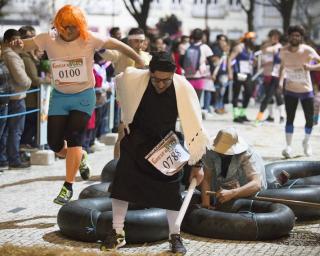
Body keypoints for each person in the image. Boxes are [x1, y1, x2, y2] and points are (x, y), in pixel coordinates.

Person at [11, 5, 144, 205]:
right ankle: (79, 156)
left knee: (74, 137)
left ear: (79, 26)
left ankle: (68, 185)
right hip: (60, 97)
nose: (68, 30)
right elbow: (23, 46)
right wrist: (16, 42)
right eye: (64, 26)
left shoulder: (88, 38)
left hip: (84, 95)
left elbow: (117, 44)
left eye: (73, 27)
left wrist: (139, 59)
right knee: (55, 144)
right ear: (58, 25)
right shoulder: (48, 38)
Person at [100, 52, 209, 255]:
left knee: (172, 192)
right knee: (122, 185)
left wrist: (198, 163)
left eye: (165, 81)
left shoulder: (182, 88)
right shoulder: (136, 81)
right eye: (156, 79)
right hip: (136, 142)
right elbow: (122, 79)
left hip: (166, 144)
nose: (160, 84)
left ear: (173, 75)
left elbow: (195, 127)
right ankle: (117, 232)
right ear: (149, 73)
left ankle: (174, 235)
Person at [100, 27, 152, 159]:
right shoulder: (121, 54)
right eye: (135, 41)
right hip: (126, 101)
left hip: (144, 101)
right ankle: (117, 164)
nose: (139, 45)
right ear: (129, 42)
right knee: (122, 134)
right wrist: (97, 44)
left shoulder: (148, 57)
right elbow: (106, 53)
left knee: (142, 135)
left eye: (141, 41)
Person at [279, 25, 320, 158]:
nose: (295, 37)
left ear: (301, 37)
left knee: (309, 119)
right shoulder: (283, 51)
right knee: (289, 118)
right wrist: (280, 81)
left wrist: (311, 67)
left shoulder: (307, 50)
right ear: (289, 36)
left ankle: (306, 142)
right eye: (293, 35)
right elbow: (282, 67)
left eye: (298, 35)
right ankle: (288, 146)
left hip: (306, 90)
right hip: (290, 89)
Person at [201, 127, 267, 208]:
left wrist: (233, 193)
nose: (223, 154)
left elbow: (256, 184)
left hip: (246, 189)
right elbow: (206, 178)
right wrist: (206, 205)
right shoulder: (210, 152)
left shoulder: (246, 154)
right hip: (222, 188)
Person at [1, 29, 32, 169]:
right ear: (7, 41)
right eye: (14, 39)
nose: (17, 42)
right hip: (16, 97)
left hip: (10, 96)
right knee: (15, 131)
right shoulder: (11, 56)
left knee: (8, 131)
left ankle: (6, 159)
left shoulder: (9, 54)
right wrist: (29, 82)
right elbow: (21, 79)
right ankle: (13, 159)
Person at [255, 29, 285, 125]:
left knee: (268, 96)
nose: (275, 38)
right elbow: (262, 54)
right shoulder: (267, 46)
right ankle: (273, 116)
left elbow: (281, 63)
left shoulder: (279, 47)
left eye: (276, 37)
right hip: (266, 75)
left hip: (275, 75)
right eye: (273, 36)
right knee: (274, 96)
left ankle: (259, 117)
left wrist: (281, 80)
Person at [228, 32, 256, 123]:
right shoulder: (239, 47)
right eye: (252, 39)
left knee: (248, 92)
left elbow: (251, 61)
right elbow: (229, 59)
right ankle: (236, 115)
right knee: (236, 93)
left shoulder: (250, 49)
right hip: (239, 73)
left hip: (247, 73)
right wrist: (230, 73)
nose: (254, 40)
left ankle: (242, 113)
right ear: (247, 39)